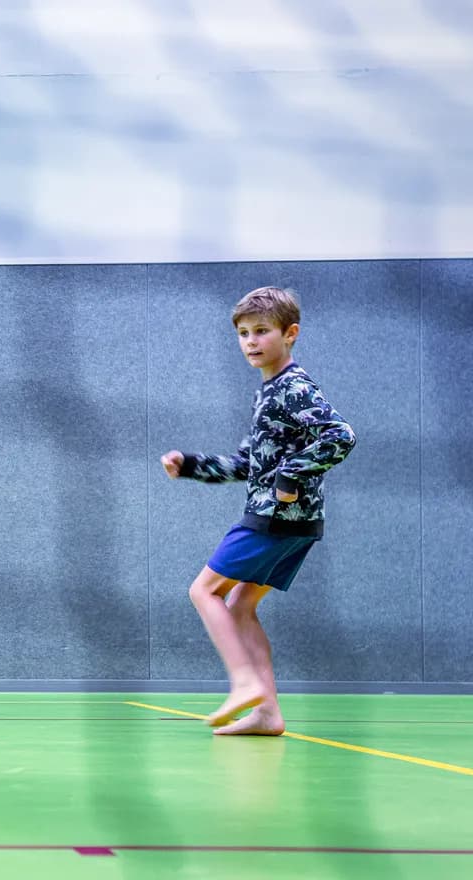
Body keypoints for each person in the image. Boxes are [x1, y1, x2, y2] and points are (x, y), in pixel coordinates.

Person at [161, 286, 355, 735]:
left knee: (203, 592)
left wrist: (291, 477)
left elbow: (340, 435)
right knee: (241, 604)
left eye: (261, 331)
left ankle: (244, 681)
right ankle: (267, 713)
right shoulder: (268, 393)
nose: (251, 341)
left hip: (275, 518)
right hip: (295, 522)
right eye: (244, 333)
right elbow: (248, 463)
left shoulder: (293, 387)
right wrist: (190, 466)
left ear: (290, 334)